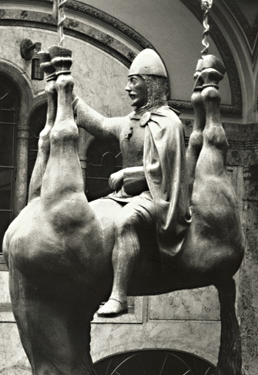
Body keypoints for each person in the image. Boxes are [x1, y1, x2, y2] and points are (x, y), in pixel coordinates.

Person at [73, 48, 190, 316]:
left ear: (150, 85)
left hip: (159, 197)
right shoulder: (131, 121)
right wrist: (70, 97)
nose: (127, 88)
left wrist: (127, 174)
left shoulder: (169, 123)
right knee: (92, 216)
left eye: (133, 81)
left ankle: (119, 295)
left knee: (125, 222)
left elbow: (163, 173)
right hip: (126, 195)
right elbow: (101, 125)